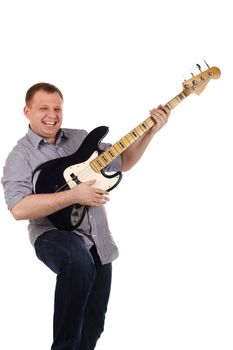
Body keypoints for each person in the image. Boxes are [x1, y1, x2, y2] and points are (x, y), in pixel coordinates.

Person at [1, 82, 170, 350]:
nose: (52, 114)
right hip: (53, 235)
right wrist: (72, 196)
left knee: (93, 325)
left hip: (97, 240)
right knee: (77, 262)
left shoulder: (80, 138)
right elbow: (19, 208)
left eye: (57, 108)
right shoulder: (20, 156)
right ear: (27, 111)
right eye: (43, 108)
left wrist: (150, 132)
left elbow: (123, 161)